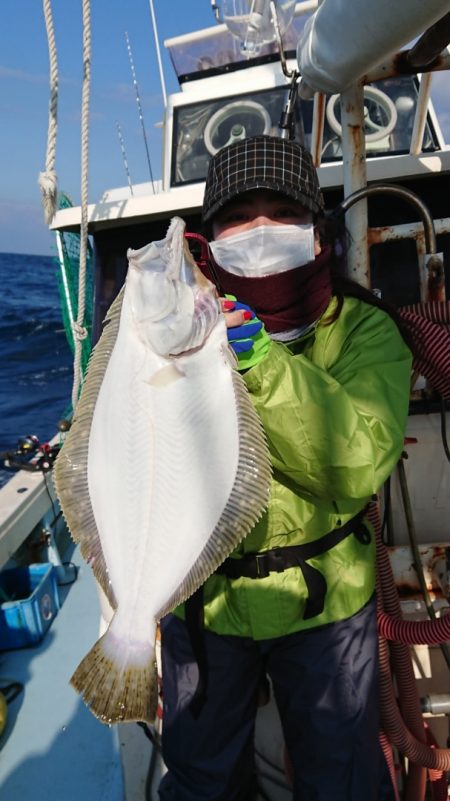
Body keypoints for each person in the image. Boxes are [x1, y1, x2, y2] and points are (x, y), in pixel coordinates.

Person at [158, 134, 412, 801]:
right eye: (240, 215)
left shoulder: (364, 331)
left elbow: (353, 465)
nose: (262, 229)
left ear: (318, 232)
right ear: (207, 240)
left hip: (325, 608)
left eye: (281, 210)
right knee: (199, 782)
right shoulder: (169, 336)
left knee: (345, 783)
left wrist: (259, 364)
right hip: (202, 604)